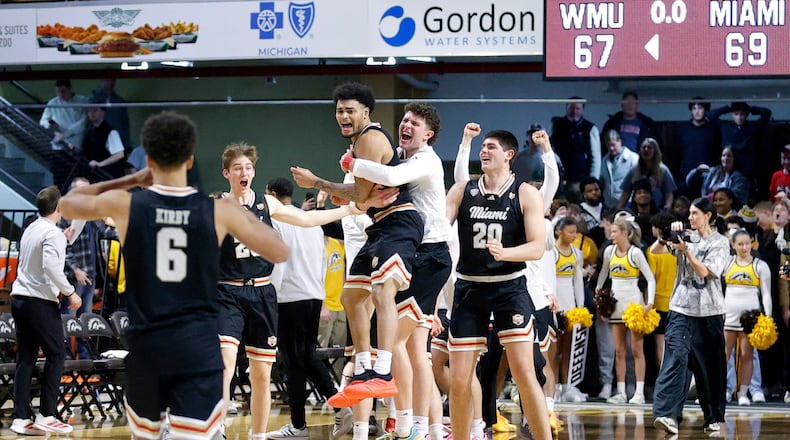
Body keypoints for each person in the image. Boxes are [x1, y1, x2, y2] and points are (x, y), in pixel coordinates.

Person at [58, 111, 290, 440]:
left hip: (148, 346)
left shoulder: (127, 204)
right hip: (197, 347)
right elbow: (279, 252)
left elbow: (68, 204)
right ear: (191, 159)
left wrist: (128, 180)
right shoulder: (218, 210)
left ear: (149, 159)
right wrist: (243, 219)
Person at [217, 142, 372, 440]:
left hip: (262, 294)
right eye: (237, 168)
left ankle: (258, 435)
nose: (244, 172)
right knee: (225, 363)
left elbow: (307, 219)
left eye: (248, 167)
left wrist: (349, 209)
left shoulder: (267, 204)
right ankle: (218, 430)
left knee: (261, 374)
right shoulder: (217, 207)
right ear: (227, 173)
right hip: (228, 293)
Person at [291, 83, 425, 413]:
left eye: (350, 110)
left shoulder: (368, 138)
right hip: (379, 227)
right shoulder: (358, 142)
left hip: (399, 222)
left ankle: (382, 370)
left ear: (366, 112)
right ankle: (364, 366)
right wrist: (350, 195)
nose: (344, 115)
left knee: (381, 292)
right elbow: (361, 196)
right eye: (339, 110)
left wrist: (317, 182)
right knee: (352, 296)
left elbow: (362, 197)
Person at [341, 102, 450, 440]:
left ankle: (409, 425)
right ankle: (419, 426)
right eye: (404, 120)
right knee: (415, 348)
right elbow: (375, 192)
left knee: (400, 343)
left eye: (414, 123)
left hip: (431, 255)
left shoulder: (425, 159)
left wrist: (351, 162)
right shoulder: (401, 157)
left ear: (428, 134)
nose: (406, 126)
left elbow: (389, 178)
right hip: (412, 252)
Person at [445, 128, 551, 440]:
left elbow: (536, 247)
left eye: (491, 147)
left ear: (508, 155)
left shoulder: (525, 193)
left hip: (510, 288)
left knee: (524, 372)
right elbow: (438, 228)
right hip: (469, 288)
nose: (484, 151)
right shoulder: (463, 190)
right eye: (482, 147)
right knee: (460, 378)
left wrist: (507, 252)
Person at [265, 177, 351, 439]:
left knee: (294, 361)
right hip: (314, 295)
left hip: (289, 296)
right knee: (306, 356)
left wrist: (271, 298)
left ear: (271, 195)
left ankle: (299, 425)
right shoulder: (312, 222)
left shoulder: (277, 219)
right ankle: (338, 404)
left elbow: (277, 261)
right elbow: (323, 260)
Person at [652, 198, 729, 436]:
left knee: (710, 368)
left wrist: (686, 251)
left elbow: (705, 272)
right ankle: (667, 414)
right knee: (675, 358)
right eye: (690, 214)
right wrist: (667, 236)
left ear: (708, 215)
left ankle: (713, 417)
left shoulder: (720, 243)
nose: (690, 217)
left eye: (695, 213)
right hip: (681, 309)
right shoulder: (685, 235)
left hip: (710, 312)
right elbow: (655, 250)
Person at [10, 186, 81, 436]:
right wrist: (70, 292)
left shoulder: (32, 227)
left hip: (19, 298)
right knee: (57, 355)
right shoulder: (53, 234)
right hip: (40, 301)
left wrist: (69, 230)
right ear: (59, 208)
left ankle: (20, 417)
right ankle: (47, 413)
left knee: (26, 358)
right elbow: (51, 266)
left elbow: (55, 243)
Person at [595, 217, 656, 405]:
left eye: (614, 232)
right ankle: (620, 392)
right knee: (619, 351)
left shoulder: (636, 253)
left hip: (634, 305)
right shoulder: (608, 252)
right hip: (616, 305)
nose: (611, 235)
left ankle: (639, 392)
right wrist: (599, 296)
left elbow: (651, 279)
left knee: (637, 350)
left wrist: (649, 302)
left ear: (625, 233)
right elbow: (603, 275)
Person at [723, 229, 772, 406]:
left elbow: (766, 295)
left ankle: (743, 393)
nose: (744, 247)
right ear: (733, 245)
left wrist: (768, 318)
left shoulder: (760, 266)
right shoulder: (727, 263)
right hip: (728, 317)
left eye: (747, 243)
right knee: (724, 356)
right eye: (740, 244)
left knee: (747, 355)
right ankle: (723, 391)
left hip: (749, 319)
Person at [550, 218, 586, 402]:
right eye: (570, 232)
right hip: (555, 307)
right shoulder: (551, 253)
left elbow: (578, 282)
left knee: (569, 349)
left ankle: (568, 387)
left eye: (575, 232)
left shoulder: (576, 253)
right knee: (554, 350)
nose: (574, 235)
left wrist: (580, 309)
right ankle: (553, 387)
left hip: (571, 307)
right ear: (559, 232)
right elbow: (549, 281)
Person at [39, 79, 89, 190]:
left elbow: (84, 122)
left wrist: (66, 134)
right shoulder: (53, 103)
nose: (60, 95)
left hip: (76, 147)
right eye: (58, 92)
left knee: (77, 181)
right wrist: (49, 125)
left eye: (63, 91)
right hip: (59, 147)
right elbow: (42, 121)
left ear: (70, 89)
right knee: (60, 181)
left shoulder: (82, 101)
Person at [550, 97, 601, 202]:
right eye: (571, 108)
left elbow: (596, 158)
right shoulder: (556, 126)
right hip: (560, 181)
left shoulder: (590, 128)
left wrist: (592, 181)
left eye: (577, 108)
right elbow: (550, 151)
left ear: (582, 110)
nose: (574, 111)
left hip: (582, 182)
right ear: (566, 108)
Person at [646, 212, 678, 368]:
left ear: (658, 230)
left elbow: (650, 278)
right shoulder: (679, 250)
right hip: (677, 302)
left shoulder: (652, 251)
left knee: (661, 345)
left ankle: (663, 382)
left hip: (658, 303)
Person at [710, 101, 772, 179]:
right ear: (732, 114)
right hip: (729, 169)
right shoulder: (725, 126)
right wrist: (728, 108)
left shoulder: (752, 127)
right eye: (736, 114)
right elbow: (711, 115)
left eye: (742, 114)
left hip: (747, 170)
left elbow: (767, 113)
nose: (739, 117)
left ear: (746, 115)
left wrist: (750, 109)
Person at [675, 97, 721, 197]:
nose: (697, 111)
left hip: (708, 177)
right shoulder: (683, 129)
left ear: (706, 110)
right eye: (694, 108)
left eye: (700, 108)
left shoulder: (713, 129)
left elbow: (717, 153)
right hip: (686, 176)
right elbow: (677, 154)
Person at [617, 138, 676, 211]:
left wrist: (668, 206)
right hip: (637, 209)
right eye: (643, 147)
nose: (646, 149)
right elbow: (626, 193)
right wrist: (618, 210)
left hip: (657, 211)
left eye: (649, 147)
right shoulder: (634, 170)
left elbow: (669, 192)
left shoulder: (663, 170)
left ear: (655, 151)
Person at [81, 98, 127, 181]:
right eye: (89, 111)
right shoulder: (88, 132)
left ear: (103, 112)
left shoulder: (111, 132)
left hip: (109, 178)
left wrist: (100, 164)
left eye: (95, 110)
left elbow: (119, 154)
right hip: (94, 177)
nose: (92, 113)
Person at [600, 130, 639, 209]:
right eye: (608, 146)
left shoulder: (633, 158)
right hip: (609, 203)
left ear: (620, 141)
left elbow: (637, 182)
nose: (611, 148)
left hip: (628, 202)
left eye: (613, 145)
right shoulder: (604, 160)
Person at [91, 78, 131, 151]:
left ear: (114, 81)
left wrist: (126, 144)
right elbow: (88, 121)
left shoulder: (120, 101)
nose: (106, 82)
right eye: (104, 79)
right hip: (97, 141)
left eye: (109, 79)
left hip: (116, 142)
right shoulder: (93, 99)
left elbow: (125, 124)